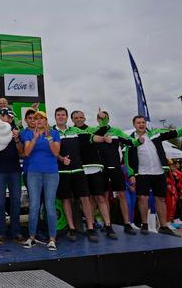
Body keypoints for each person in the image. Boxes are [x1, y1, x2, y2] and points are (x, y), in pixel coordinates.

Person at [126, 115, 182, 236]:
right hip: (142, 173)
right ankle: (144, 224)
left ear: (145, 124)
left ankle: (163, 226)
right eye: (138, 123)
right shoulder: (130, 139)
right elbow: (127, 158)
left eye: (143, 122)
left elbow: (171, 133)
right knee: (143, 198)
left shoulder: (155, 133)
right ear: (134, 125)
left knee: (160, 199)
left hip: (158, 172)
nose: (141, 124)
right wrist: (131, 174)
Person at [52, 107, 98, 242]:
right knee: (66, 199)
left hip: (78, 170)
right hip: (62, 171)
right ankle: (71, 228)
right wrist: (61, 159)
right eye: (58, 115)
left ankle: (90, 228)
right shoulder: (51, 132)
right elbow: (51, 150)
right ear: (55, 117)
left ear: (67, 118)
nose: (61, 117)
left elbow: (92, 135)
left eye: (63, 115)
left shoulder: (76, 131)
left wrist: (102, 128)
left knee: (85, 198)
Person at [90, 110, 140, 235]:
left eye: (105, 117)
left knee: (122, 195)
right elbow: (89, 141)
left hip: (116, 167)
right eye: (100, 118)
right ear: (97, 119)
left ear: (108, 118)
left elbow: (130, 141)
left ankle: (127, 224)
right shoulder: (94, 131)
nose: (103, 120)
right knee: (103, 196)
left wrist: (139, 141)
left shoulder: (116, 131)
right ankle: (107, 224)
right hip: (101, 169)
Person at [72, 109, 118, 240]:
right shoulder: (71, 131)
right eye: (76, 118)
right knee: (85, 200)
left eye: (81, 117)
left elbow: (104, 127)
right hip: (80, 169)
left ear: (84, 118)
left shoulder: (92, 129)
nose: (79, 119)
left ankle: (108, 226)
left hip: (95, 167)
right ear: (72, 120)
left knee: (100, 198)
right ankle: (90, 227)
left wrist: (103, 118)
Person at [21, 111, 61, 250]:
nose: (38, 120)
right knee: (34, 206)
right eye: (35, 118)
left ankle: (52, 239)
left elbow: (55, 152)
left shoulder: (54, 133)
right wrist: (35, 138)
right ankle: (31, 237)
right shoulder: (29, 134)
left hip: (51, 173)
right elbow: (26, 153)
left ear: (45, 120)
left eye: (41, 118)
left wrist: (48, 136)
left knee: (49, 206)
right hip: (34, 173)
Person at [0, 108, 25, 245]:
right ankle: (1, 232)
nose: (10, 119)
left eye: (11, 117)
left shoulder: (16, 131)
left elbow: (22, 152)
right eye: (7, 117)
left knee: (16, 201)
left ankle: (16, 232)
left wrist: (16, 139)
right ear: (0, 116)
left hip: (14, 170)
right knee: (0, 202)